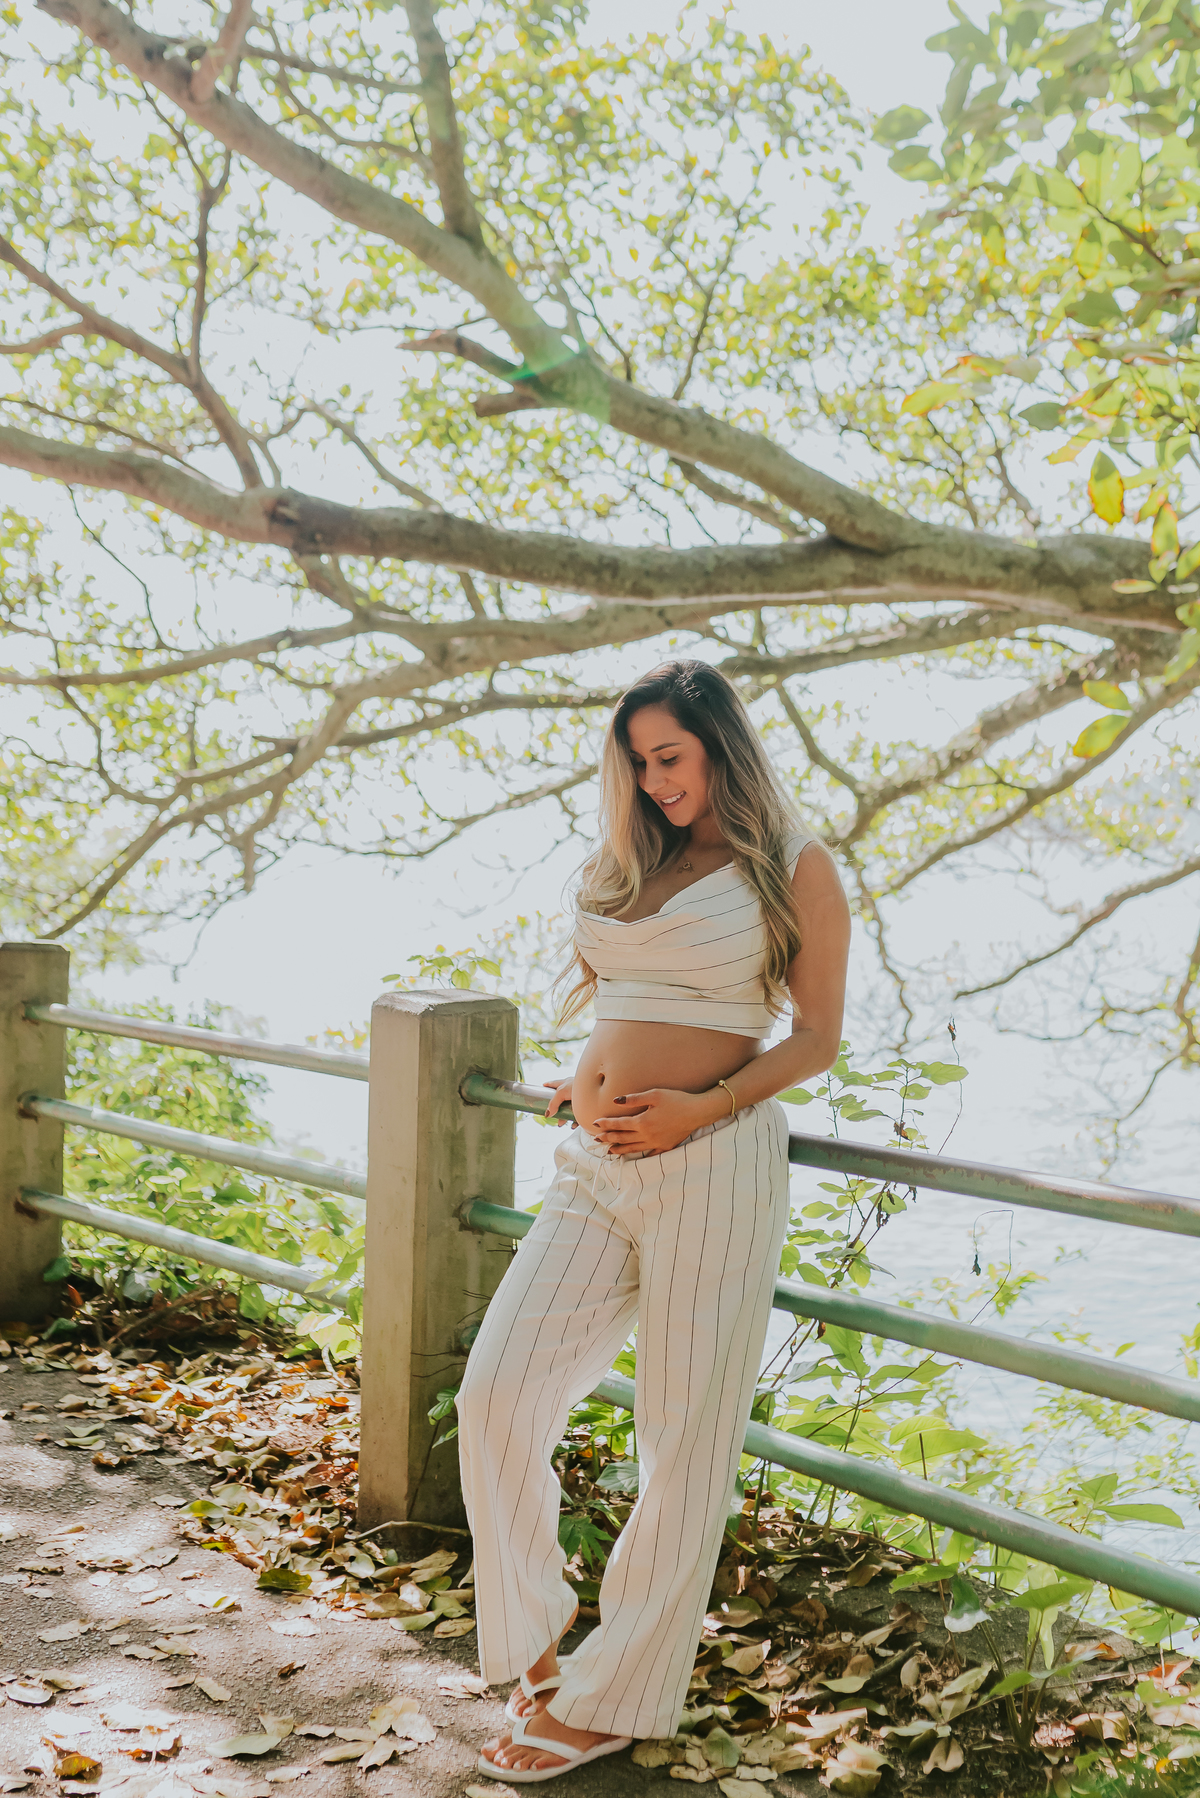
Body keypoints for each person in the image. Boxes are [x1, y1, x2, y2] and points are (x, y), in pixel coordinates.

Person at [457, 659, 851, 1783]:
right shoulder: (634, 857)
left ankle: (618, 1695)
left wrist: (698, 1105)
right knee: (496, 1393)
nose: (652, 778)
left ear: (723, 743)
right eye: (636, 760)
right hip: (595, 1164)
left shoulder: (797, 865)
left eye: (668, 755)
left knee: (682, 1440)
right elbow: (630, 995)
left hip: (716, 1164)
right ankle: (540, 1644)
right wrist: (585, 1079)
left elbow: (814, 1040)